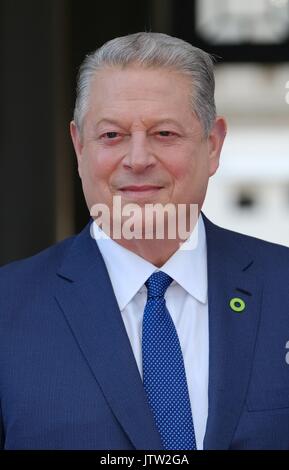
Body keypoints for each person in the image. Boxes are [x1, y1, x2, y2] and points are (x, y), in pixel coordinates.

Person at [1, 32, 289, 451]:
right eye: (112, 136)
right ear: (79, 147)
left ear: (212, 145)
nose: (137, 159)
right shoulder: (8, 307)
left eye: (165, 134)